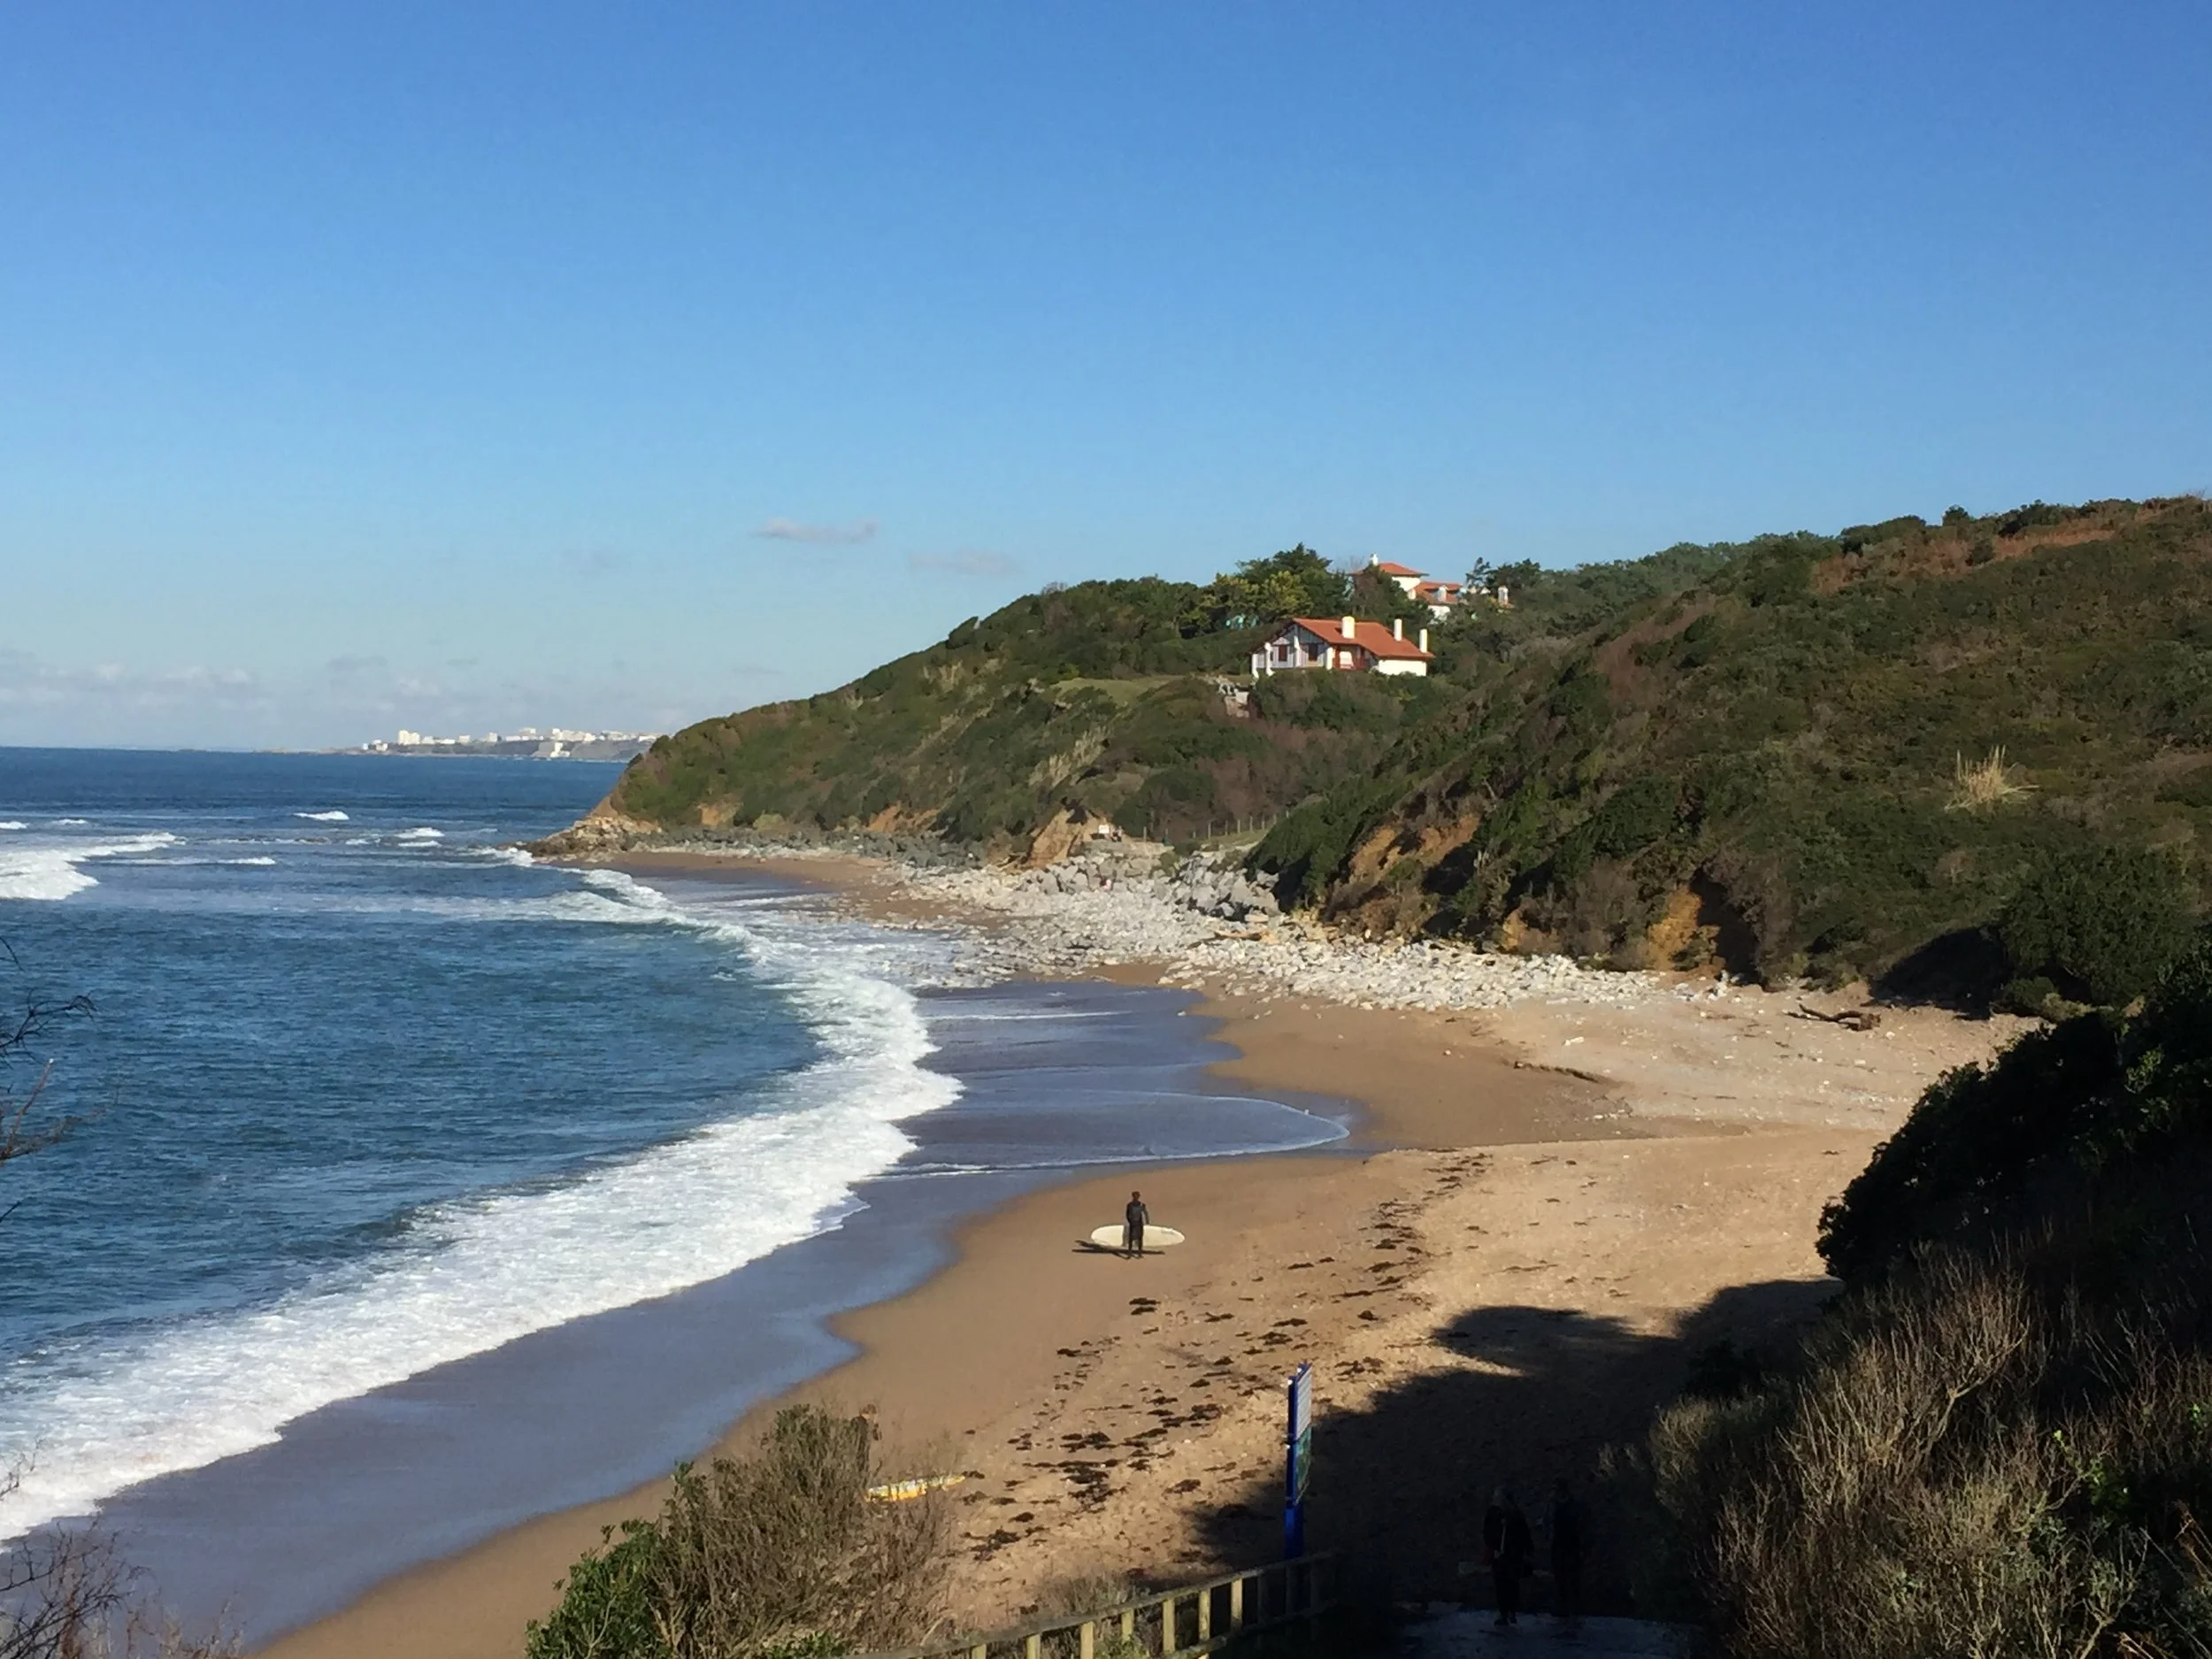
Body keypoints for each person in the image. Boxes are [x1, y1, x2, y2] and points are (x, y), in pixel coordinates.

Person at [1483, 1486, 1533, 1628]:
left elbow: (1523, 1534)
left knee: (1511, 1582)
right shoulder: (1493, 1513)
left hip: (1513, 1554)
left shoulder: (1515, 1515)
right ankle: (1502, 1611)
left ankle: (1511, 1609)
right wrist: (1493, 1546)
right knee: (1500, 1583)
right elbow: (1487, 1531)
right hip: (1499, 1554)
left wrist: (1527, 1550)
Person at [1549, 1476, 1586, 1623]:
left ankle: (1575, 1608)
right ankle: (1562, 1607)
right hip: (1557, 1545)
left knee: (1573, 1578)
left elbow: (1583, 1525)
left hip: (1572, 1545)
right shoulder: (1552, 1505)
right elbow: (1548, 1522)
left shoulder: (1575, 1506)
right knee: (1559, 1578)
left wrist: (1584, 1545)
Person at [1123, 1190, 1149, 1258]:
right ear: (1133, 1197)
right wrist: (1130, 1221)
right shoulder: (1129, 1205)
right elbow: (1127, 1214)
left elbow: (1145, 1213)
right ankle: (1129, 1254)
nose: (1136, 1197)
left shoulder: (1141, 1205)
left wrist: (1147, 1221)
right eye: (1135, 1196)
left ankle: (1139, 1253)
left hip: (1139, 1223)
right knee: (1131, 1239)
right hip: (1133, 1223)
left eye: (1137, 1196)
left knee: (1140, 1238)